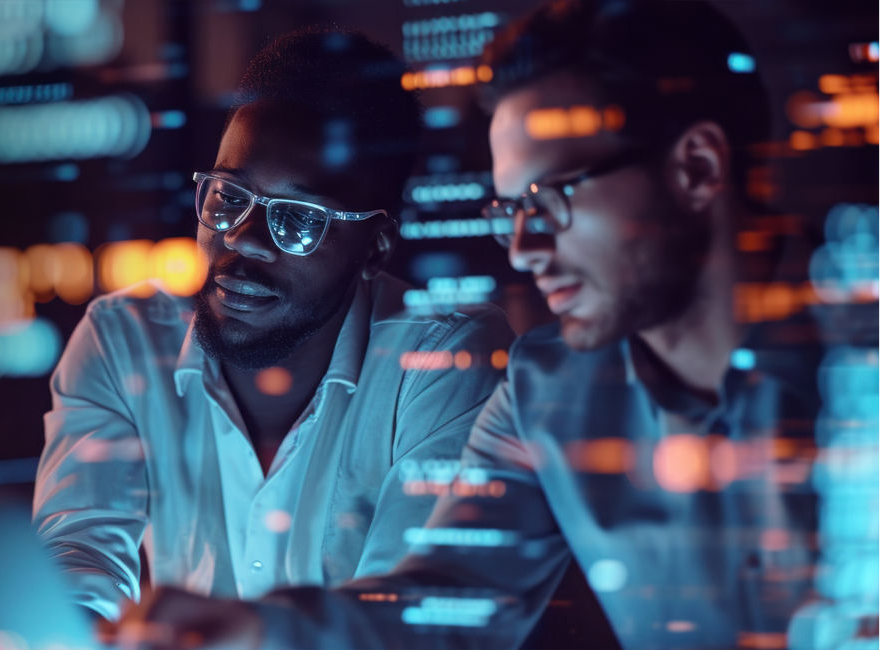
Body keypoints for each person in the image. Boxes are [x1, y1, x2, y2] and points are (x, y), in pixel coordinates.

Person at [136, 1, 834, 648]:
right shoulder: (547, 394)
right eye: (510, 210)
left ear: (696, 167)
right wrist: (256, 630)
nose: (526, 249)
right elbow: (446, 601)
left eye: (550, 197)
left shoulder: (853, 359)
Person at [31, 28, 513, 624]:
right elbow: (80, 554)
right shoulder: (122, 340)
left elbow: (415, 615)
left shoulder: (444, 360)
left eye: (299, 219)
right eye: (228, 197)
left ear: (375, 246)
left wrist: (251, 635)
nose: (242, 240)